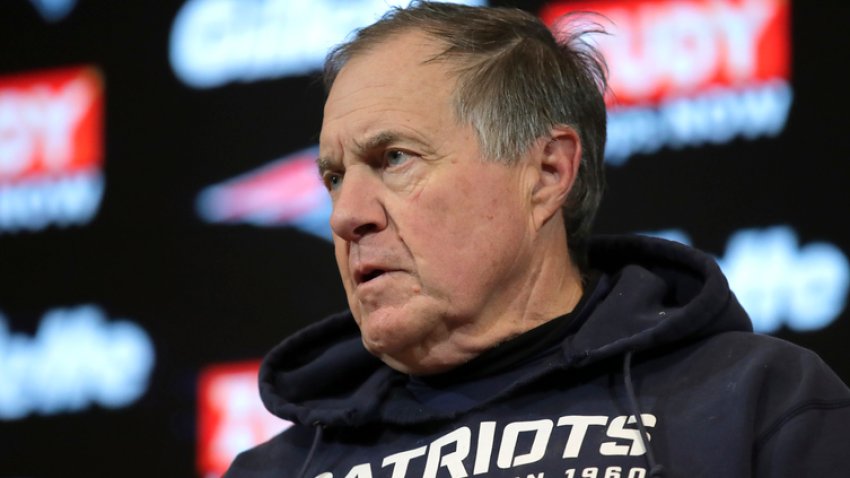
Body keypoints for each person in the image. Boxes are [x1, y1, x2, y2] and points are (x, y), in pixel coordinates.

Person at [224, 2, 850, 477]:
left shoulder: (759, 404)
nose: (345, 215)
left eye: (393, 158)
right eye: (334, 177)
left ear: (547, 172)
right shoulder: (274, 468)